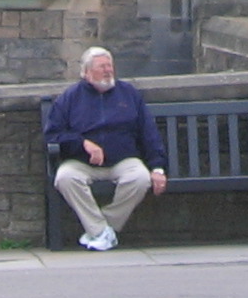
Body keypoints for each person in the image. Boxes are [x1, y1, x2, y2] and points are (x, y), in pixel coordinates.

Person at [44, 46, 168, 252]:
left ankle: (101, 230)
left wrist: (157, 168)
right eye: (102, 67)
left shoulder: (129, 94)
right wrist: (82, 143)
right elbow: (53, 134)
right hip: (82, 161)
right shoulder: (70, 97)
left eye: (110, 66)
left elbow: (149, 133)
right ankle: (102, 232)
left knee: (140, 179)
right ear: (87, 72)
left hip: (123, 159)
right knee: (65, 178)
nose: (108, 70)